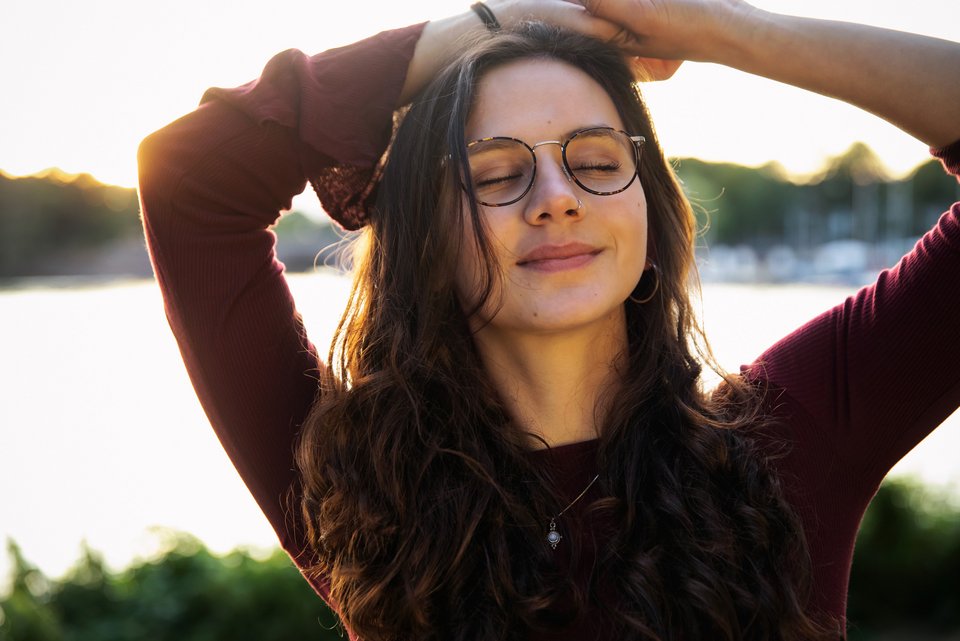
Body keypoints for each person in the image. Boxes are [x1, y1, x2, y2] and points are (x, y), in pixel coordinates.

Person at [136, 0, 960, 639]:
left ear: (651, 208)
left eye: (597, 160)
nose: (557, 199)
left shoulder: (786, 442)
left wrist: (712, 27)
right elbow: (189, 181)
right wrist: (493, 22)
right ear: (423, 231)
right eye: (494, 173)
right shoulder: (362, 487)